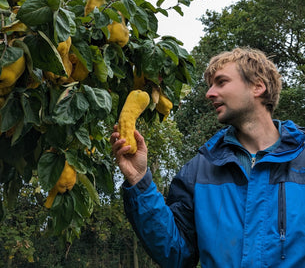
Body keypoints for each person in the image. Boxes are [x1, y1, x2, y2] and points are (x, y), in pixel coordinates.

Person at [110, 47, 305, 268]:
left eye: (221, 82)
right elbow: (176, 255)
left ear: (258, 86)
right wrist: (138, 179)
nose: (209, 93)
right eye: (210, 85)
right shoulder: (199, 170)